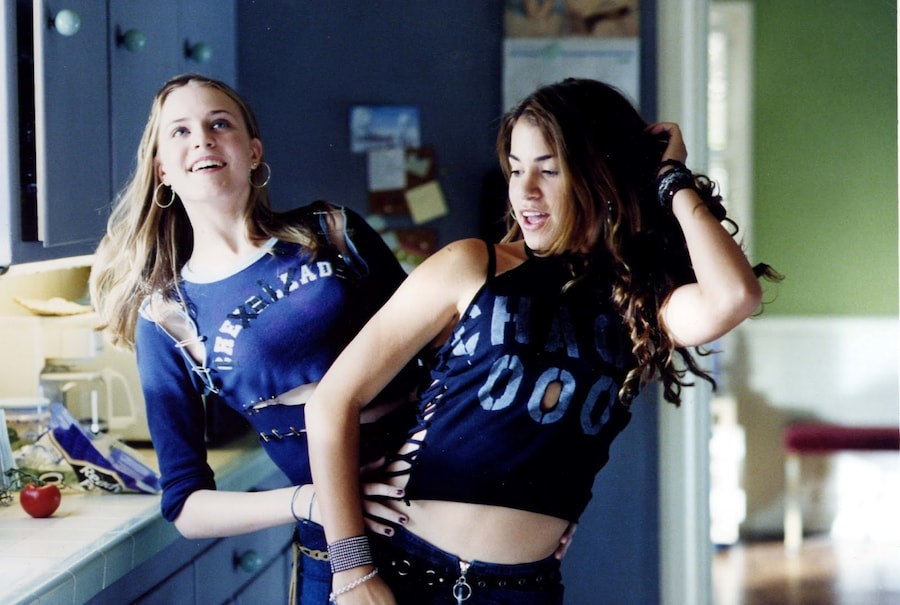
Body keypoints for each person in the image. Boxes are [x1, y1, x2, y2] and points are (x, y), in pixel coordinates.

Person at [304, 77, 780, 605]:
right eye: (515, 168)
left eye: (549, 170)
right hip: (399, 569)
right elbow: (332, 400)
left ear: (600, 176)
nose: (525, 190)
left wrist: (670, 177)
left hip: (522, 590)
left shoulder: (642, 303)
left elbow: (735, 296)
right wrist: (352, 569)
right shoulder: (472, 266)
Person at [89, 74, 414, 604]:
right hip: (336, 556)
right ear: (162, 170)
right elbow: (186, 506)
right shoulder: (168, 316)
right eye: (180, 131)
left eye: (219, 124)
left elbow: (443, 356)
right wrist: (312, 502)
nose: (203, 139)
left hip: (445, 509)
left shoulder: (331, 231)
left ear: (253, 151)